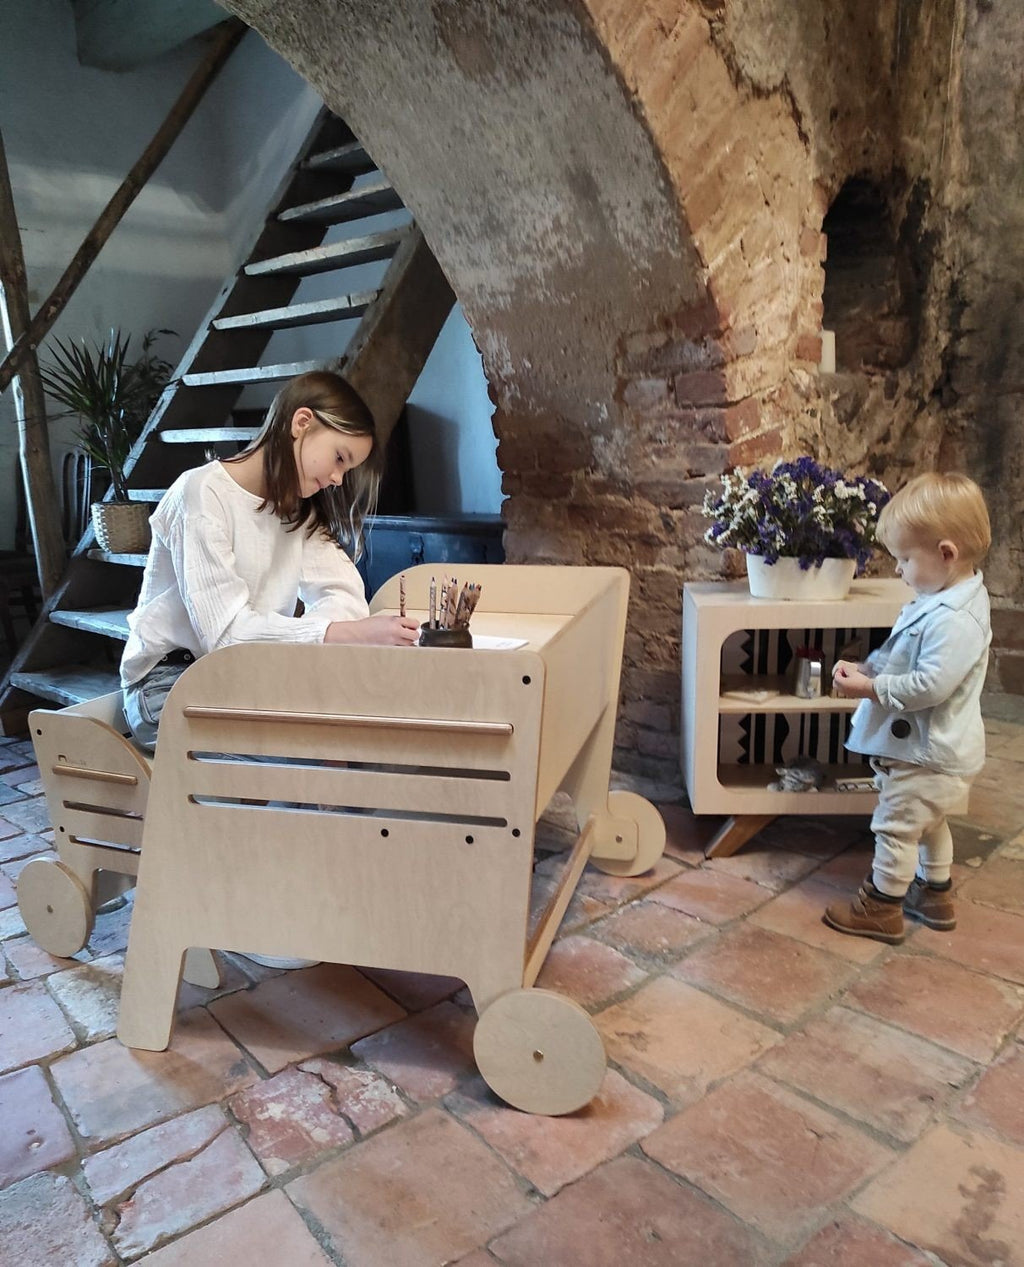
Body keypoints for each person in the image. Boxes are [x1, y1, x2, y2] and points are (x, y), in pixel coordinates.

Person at [121, 369, 420, 752]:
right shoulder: (200, 494)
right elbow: (226, 636)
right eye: (339, 458)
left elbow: (343, 594)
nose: (337, 478)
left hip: (246, 675)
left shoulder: (297, 511)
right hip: (168, 683)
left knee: (363, 725)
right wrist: (335, 635)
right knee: (300, 749)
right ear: (302, 423)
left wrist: (313, 645)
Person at [823, 472, 992, 944]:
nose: (897, 569)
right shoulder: (947, 594)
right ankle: (934, 893)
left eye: (904, 558)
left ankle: (881, 907)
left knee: (896, 826)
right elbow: (910, 657)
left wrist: (870, 687)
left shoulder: (955, 620)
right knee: (929, 821)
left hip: (925, 753)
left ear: (945, 553)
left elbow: (929, 685)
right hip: (934, 753)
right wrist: (868, 669)